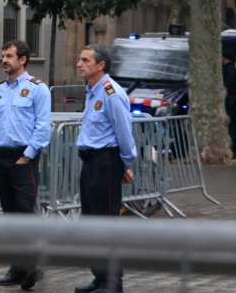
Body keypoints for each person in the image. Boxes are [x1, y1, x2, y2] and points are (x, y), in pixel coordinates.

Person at [0, 40, 51, 290]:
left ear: (23, 59)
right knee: (11, 218)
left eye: (10, 56)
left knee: (25, 213)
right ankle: (17, 270)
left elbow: (43, 127)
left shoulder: (37, 89)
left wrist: (28, 155)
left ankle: (32, 265)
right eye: (2, 56)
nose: (4, 60)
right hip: (1, 158)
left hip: (23, 159)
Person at [74, 44, 137, 293]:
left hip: (106, 163)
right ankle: (100, 277)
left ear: (101, 65)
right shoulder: (92, 91)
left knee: (106, 223)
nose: (79, 64)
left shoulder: (111, 93)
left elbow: (124, 132)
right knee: (91, 223)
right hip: (90, 162)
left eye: (85, 60)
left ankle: (112, 282)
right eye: (80, 59)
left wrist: (126, 163)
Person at [222, 50, 236, 158]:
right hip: (235, 102)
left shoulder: (227, 71)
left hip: (229, 101)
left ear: (225, 58)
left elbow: (226, 86)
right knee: (235, 126)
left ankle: (232, 149)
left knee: (230, 127)